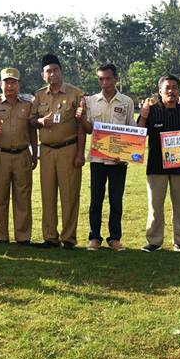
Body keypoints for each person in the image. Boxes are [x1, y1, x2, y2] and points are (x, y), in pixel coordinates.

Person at [30, 53, 86, 249]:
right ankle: (50, 237)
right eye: (48, 71)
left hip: (68, 149)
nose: (52, 74)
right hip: (46, 151)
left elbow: (81, 126)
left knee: (70, 195)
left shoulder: (75, 94)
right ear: (42, 75)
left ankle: (69, 238)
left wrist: (80, 153)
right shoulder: (39, 96)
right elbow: (30, 121)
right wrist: (39, 121)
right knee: (48, 194)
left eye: (55, 70)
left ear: (61, 71)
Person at [78, 63, 136, 251]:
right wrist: (81, 118)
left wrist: (125, 153)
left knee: (116, 200)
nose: (104, 82)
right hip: (97, 159)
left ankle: (114, 238)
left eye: (108, 78)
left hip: (118, 161)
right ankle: (94, 237)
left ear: (116, 79)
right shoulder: (91, 101)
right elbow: (88, 130)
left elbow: (132, 130)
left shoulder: (126, 102)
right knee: (96, 200)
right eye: (101, 79)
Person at [138, 75, 180, 253]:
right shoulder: (152, 111)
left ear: (178, 91)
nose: (171, 91)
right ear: (160, 91)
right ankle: (154, 242)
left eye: (174, 88)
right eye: (167, 88)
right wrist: (142, 116)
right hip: (156, 167)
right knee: (155, 207)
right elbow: (140, 135)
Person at [0, 67, 37, 245]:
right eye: (6, 82)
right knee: (0, 197)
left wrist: (35, 153)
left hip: (22, 154)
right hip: (0, 155)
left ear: (19, 84)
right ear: (1, 84)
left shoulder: (27, 106)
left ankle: (23, 237)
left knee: (23, 196)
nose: (10, 85)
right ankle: (0, 237)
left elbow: (32, 131)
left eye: (13, 82)